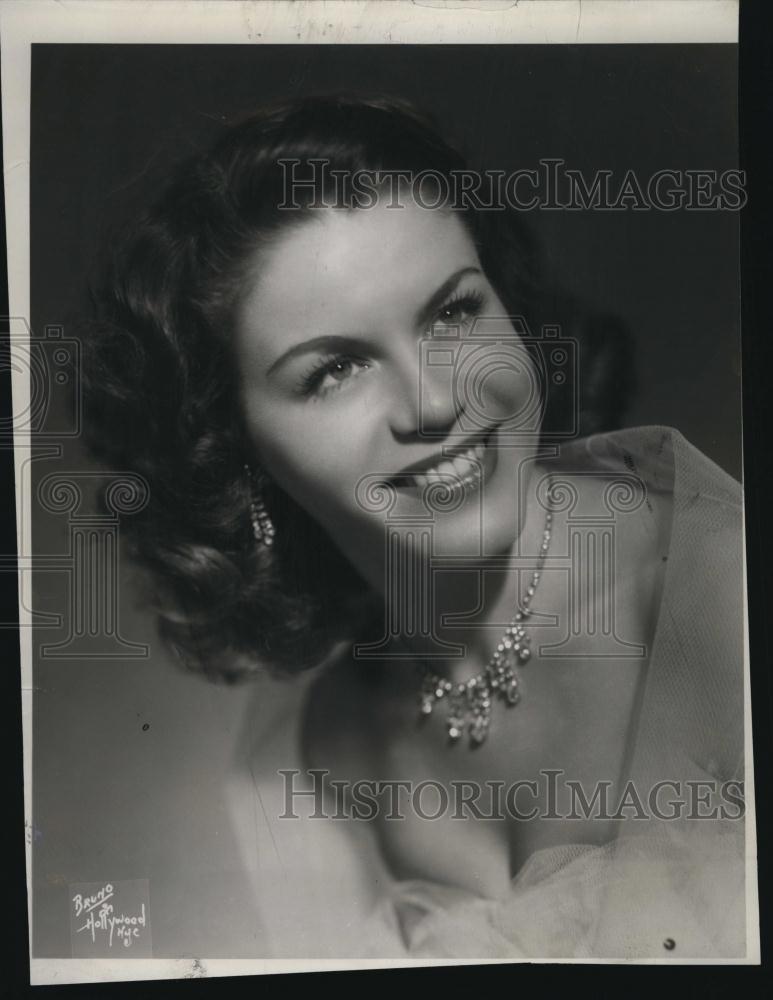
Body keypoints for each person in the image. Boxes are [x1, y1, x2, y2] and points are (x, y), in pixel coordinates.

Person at [81, 94, 747, 960]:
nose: (435, 401)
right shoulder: (320, 755)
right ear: (236, 451)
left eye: (454, 312)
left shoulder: (720, 600)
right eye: (335, 371)